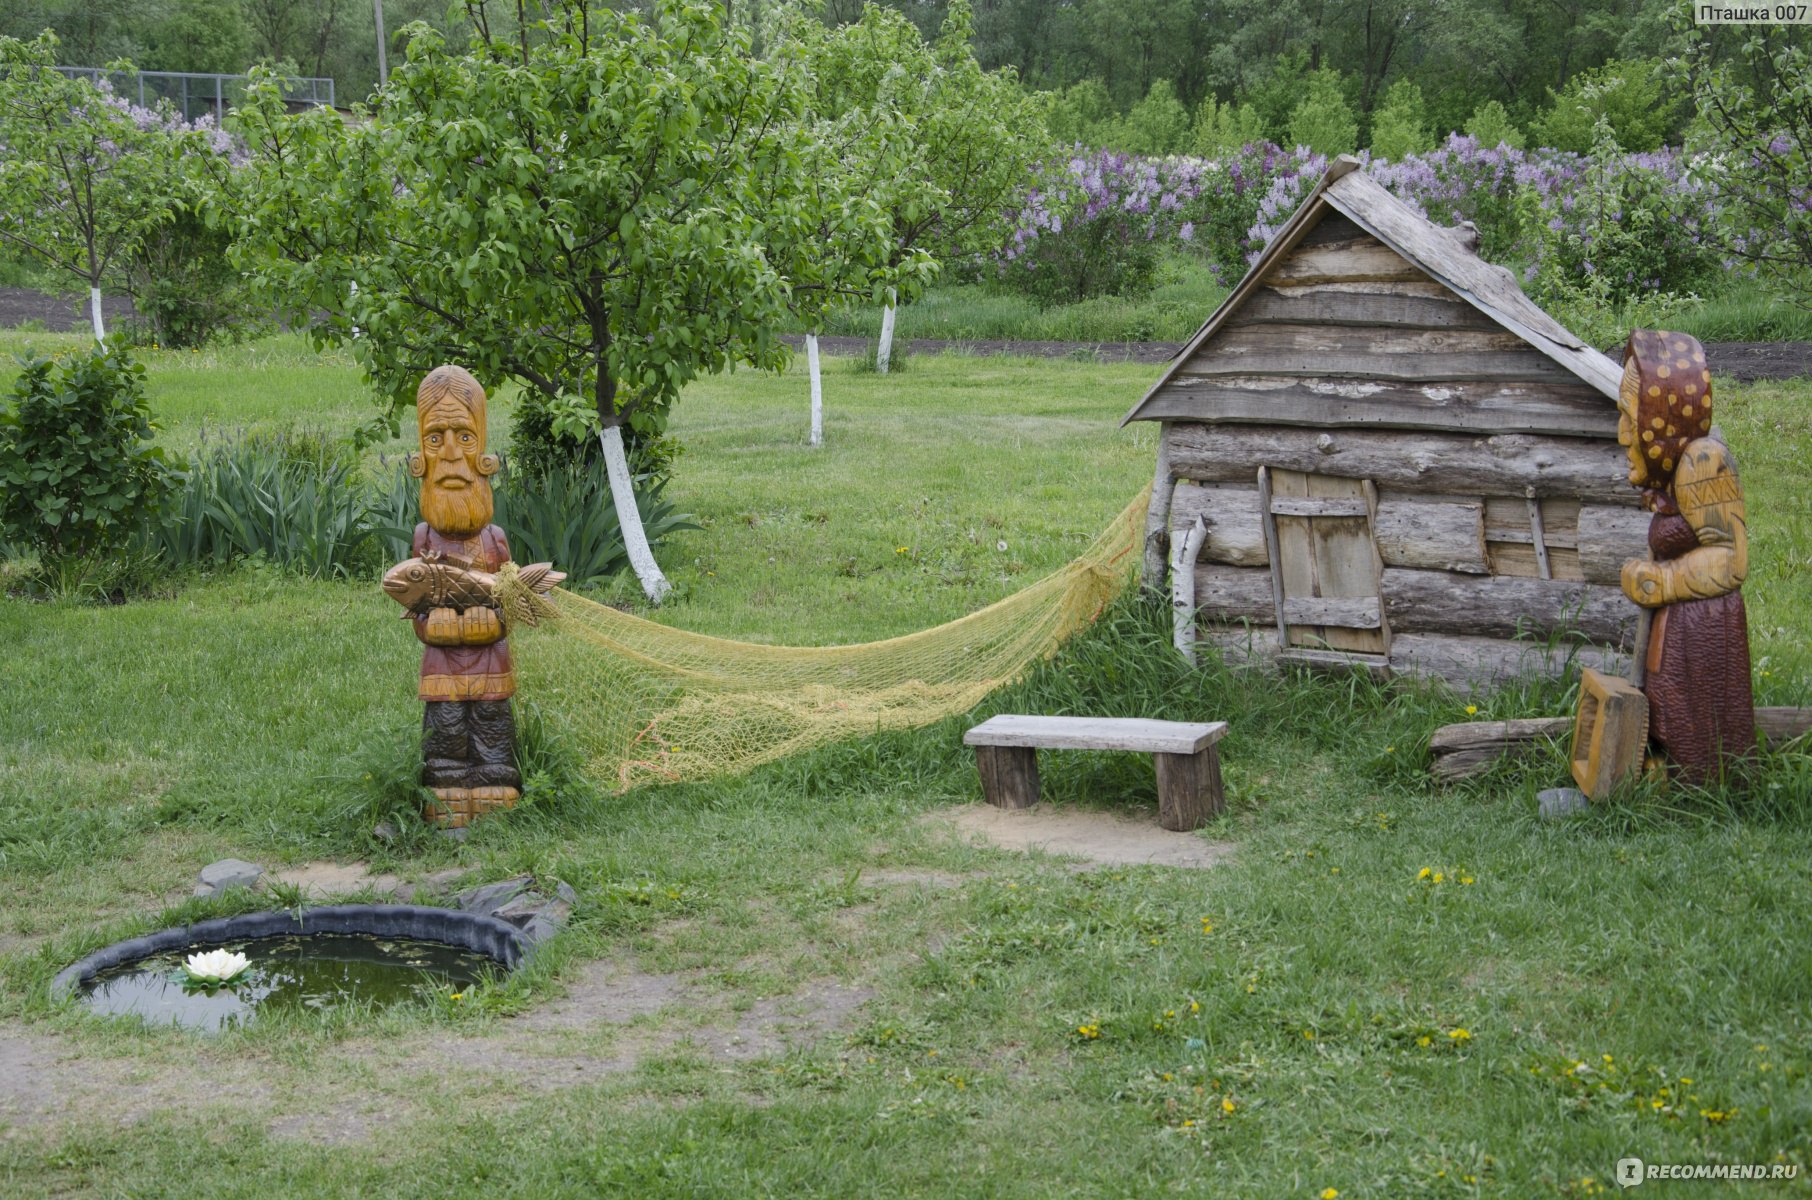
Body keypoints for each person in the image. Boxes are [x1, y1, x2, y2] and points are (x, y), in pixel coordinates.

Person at [1616, 330, 1753, 784]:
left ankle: (1703, 792)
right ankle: (1671, 783)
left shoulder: (1702, 461)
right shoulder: (1672, 477)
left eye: (1628, 417)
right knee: (1669, 707)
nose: (1622, 434)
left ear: (1661, 417)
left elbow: (1732, 560)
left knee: (1694, 722)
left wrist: (1662, 582)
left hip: (1705, 628)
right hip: (1681, 626)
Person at [407, 365, 522, 826]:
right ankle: (445, 781)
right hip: (441, 668)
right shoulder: (423, 538)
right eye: (436, 439)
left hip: (492, 663)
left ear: (484, 454)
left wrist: (495, 622)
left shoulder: (493, 540)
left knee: (493, 724)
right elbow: (412, 600)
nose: (452, 453)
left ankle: (497, 776)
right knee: (446, 728)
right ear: (420, 456)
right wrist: (427, 624)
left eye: (465, 437)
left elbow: (512, 601)